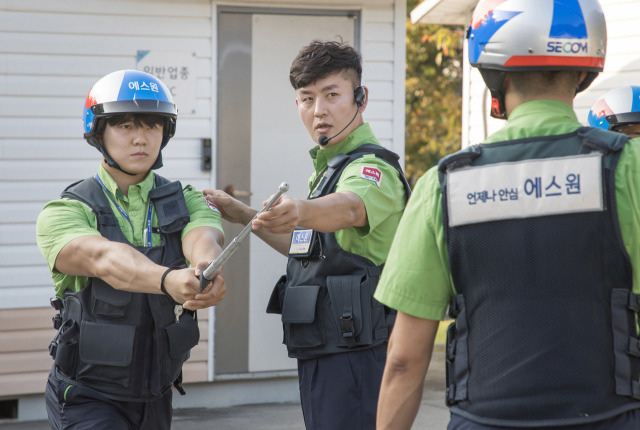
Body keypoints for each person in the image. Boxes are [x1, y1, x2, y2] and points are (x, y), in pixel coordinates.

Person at [374, 0, 640, 429]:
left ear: (494, 76)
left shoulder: (442, 185)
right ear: (583, 71)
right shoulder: (629, 168)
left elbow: (404, 360)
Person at [203, 40, 410, 429]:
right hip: (325, 350)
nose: (319, 111)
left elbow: (351, 206)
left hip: (356, 357)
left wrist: (300, 209)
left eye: (332, 95)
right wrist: (247, 215)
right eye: (307, 98)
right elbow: (310, 250)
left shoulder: (371, 169)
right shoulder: (330, 168)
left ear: (360, 98)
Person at [36, 69, 227, 430]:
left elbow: (205, 236)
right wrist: (168, 279)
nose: (140, 138)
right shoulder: (66, 211)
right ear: (98, 131)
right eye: (125, 126)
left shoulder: (186, 200)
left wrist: (204, 269)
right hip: (87, 396)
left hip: (156, 396)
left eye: (152, 126)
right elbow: (104, 258)